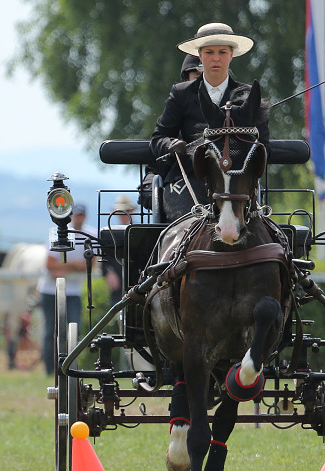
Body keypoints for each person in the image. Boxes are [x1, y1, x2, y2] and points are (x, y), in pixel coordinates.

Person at [150, 22, 269, 221]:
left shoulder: (248, 97)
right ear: (199, 55)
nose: (216, 58)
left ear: (231, 55)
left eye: (222, 52)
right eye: (209, 52)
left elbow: (264, 145)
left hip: (237, 184)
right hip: (188, 180)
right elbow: (158, 138)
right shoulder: (181, 94)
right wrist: (170, 144)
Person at [138, 54, 204, 213]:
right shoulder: (175, 118)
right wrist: (149, 184)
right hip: (183, 183)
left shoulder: (230, 111)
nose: (203, 82)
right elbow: (157, 161)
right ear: (186, 80)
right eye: (197, 76)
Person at [37, 203, 97, 375]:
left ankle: (69, 367)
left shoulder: (90, 234)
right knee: (50, 331)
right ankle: (49, 369)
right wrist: (75, 265)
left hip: (73, 291)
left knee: (73, 329)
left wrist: (64, 267)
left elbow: (89, 265)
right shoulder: (56, 233)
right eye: (76, 215)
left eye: (81, 215)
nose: (78, 218)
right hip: (50, 290)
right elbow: (49, 265)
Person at [101, 195, 136, 304]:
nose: (124, 214)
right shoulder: (110, 233)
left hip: (136, 279)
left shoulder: (139, 230)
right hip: (117, 282)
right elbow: (105, 258)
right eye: (121, 211)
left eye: (126, 211)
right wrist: (109, 273)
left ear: (131, 211)